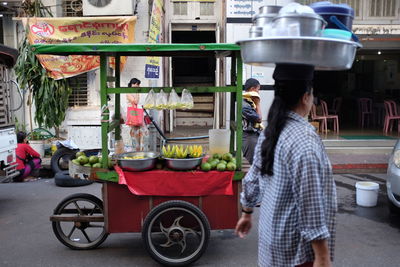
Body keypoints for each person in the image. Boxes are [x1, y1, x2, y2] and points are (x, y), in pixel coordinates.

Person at [235, 64, 337, 267]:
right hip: (296, 252)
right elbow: (311, 204)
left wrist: (246, 212)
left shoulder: (271, 129)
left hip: (271, 239)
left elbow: (253, 177)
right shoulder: (305, 140)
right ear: (305, 97)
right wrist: (323, 257)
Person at [242, 78, 263, 164]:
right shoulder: (245, 104)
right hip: (249, 138)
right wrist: (258, 103)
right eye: (258, 90)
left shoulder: (249, 102)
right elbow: (259, 118)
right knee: (255, 164)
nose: (258, 92)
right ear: (252, 89)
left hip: (254, 136)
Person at [126, 78, 149, 151]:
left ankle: (142, 150)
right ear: (132, 84)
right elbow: (135, 101)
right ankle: (136, 150)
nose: (137, 85)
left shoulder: (136, 91)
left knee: (143, 132)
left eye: (138, 84)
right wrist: (137, 93)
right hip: (132, 113)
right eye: (135, 84)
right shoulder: (128, 92)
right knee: (134, 132)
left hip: (137, 113)